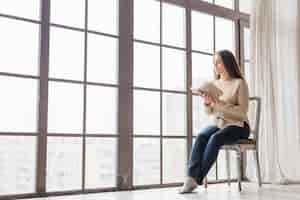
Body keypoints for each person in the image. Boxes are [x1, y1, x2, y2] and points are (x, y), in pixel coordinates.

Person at [179, 50, 250, 194]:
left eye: (218, 62)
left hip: (239, 125)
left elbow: (242, 112)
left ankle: (195, 179)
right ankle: (190, 177)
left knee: (216, 138)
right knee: (201, 136)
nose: (215, 65)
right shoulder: (214, 84)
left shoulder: (239, 83)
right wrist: (207, 103)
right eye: (214, 62)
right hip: (220, 124)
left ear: (227, 63)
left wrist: (217, 104)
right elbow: (210, 113)